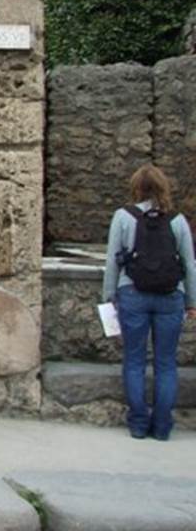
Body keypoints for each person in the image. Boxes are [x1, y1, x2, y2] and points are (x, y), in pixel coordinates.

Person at [103, 164, 196, 440]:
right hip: (170, 297)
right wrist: (191, 301)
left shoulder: (123, 217)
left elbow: (112, 261)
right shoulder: (177, 221)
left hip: (132, 293)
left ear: (136, 188)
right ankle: (163, 426)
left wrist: (109, 297)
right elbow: (189, 264)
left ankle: (139, 424)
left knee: (134, 360)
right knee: (166, 362)